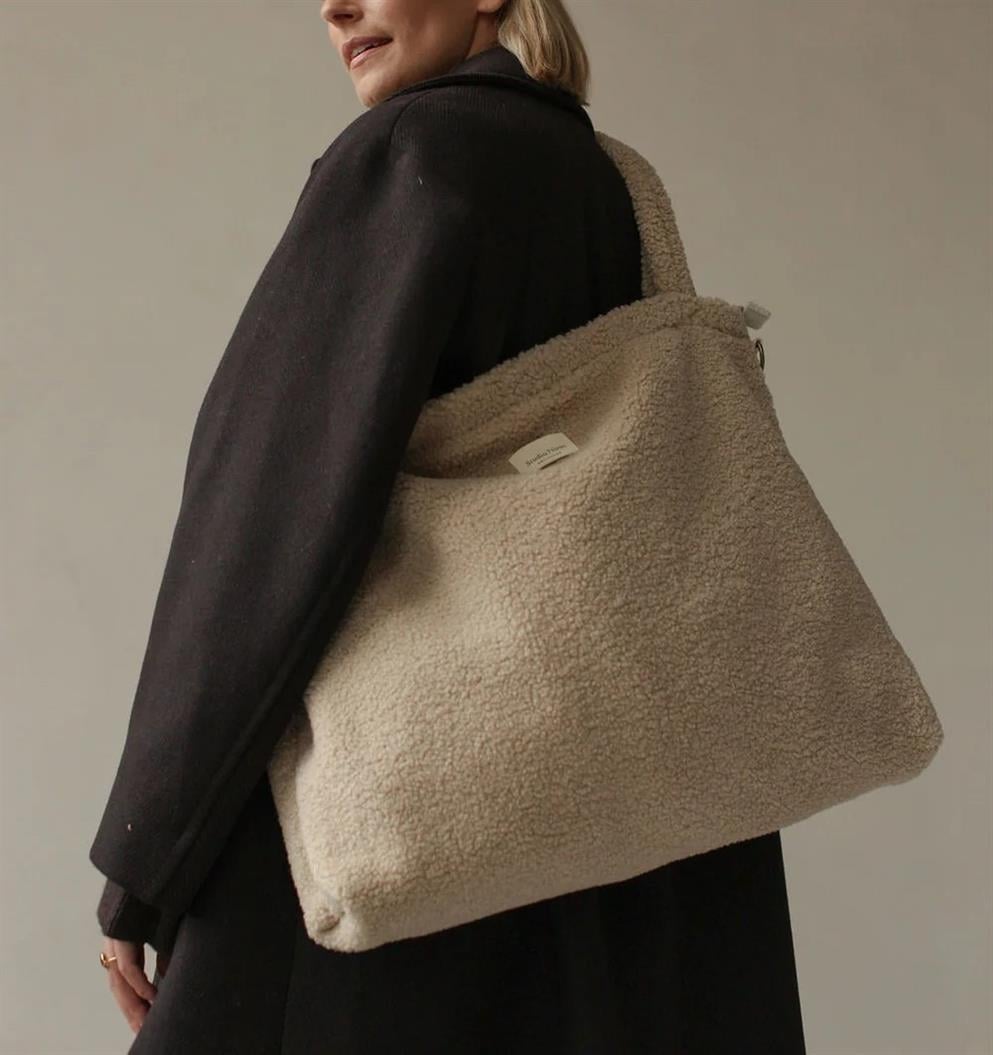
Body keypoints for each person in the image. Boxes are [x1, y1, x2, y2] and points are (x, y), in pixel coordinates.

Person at [90, 2, 808, 1052]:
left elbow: (267, 521)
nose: (334, 7)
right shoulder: (610, 181)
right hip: (620, 845)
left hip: (398, 849)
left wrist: (147, 856)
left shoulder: (407, 153)